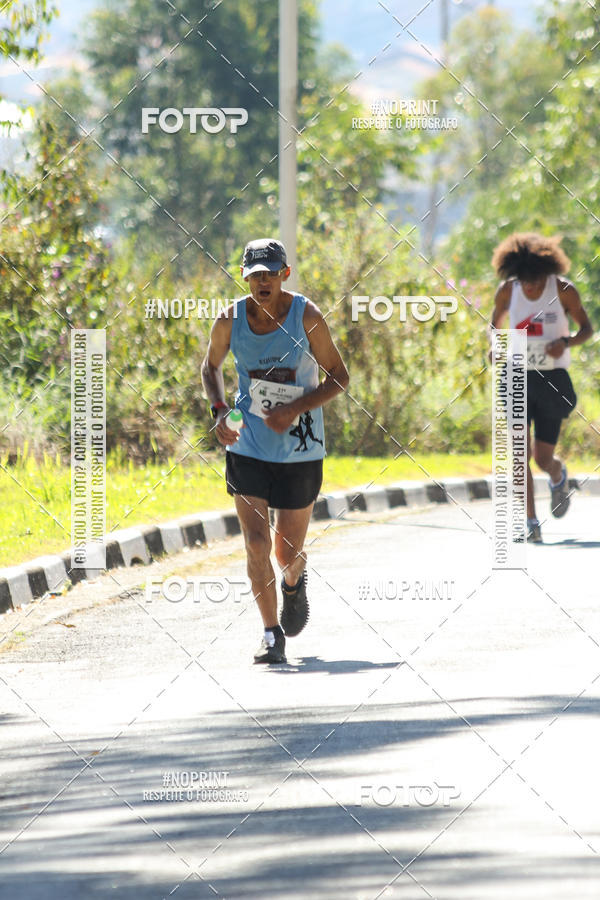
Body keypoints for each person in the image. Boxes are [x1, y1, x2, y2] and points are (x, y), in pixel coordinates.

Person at [201, 238, 349, 663]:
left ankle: (294, 581)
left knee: (285, 550)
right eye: (254, 275)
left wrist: (294, 410)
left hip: (300, 448)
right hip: (247, 445)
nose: (262, 281)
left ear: (284, 275)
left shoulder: (308, 316)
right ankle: (270, 636)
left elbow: (339, 377)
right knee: (254, 542)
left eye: (270, 273)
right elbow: (210, 366)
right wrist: (219, 410)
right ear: (245, 278)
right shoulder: (230, 320)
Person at [490, 232, 592, 542]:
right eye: (524, 281)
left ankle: (558, 476)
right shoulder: (508, 290)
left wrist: (566, 342)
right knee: (520, 453)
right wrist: (494, 345)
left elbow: (587, 328)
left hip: (552, 381)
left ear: (547, 272)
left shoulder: (563, 290)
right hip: (517, 375)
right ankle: (530, 522)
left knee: (542, 459)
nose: (530, 287)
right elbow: (495, 323)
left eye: (535, 280)